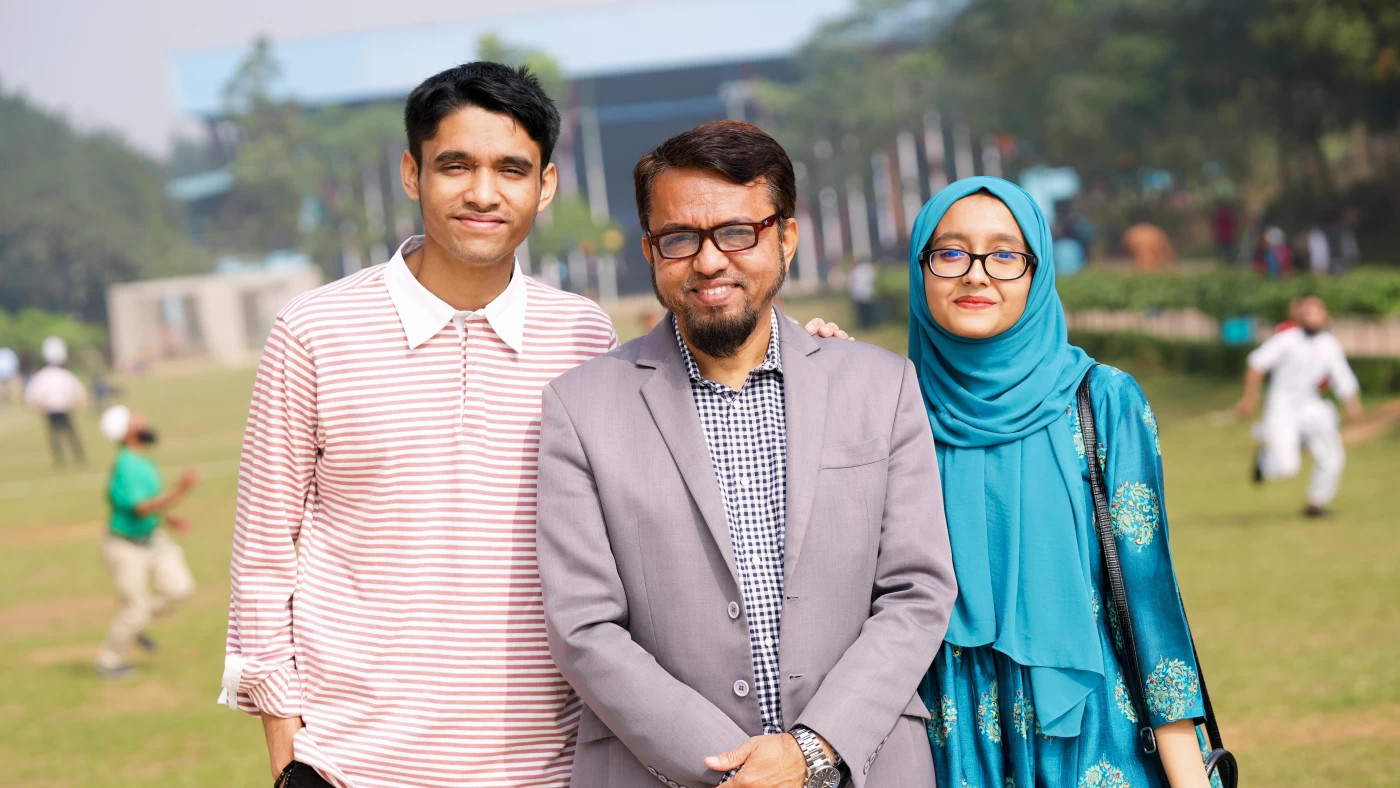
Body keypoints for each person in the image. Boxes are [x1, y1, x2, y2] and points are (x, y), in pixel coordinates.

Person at [221, 63, 850, 788]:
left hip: (554, 766)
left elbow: (703, 412)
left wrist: (809, 357)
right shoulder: (314, 332)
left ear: (545, 185)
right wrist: (287, 753)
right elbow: (262, 552)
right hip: (353, 765)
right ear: (412, 173)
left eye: (511, 169)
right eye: (455, 165)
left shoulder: (582, 334)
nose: (483, 192)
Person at [536, 120, 958, 788]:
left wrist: (810, 751)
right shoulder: (580, 407)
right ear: (650, 249)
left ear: (785, 236)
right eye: (679, 238)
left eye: (737, 232)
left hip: (859, 764)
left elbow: (917, 590)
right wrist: (737, 771)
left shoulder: (882, 387)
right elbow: (584, 626)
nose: (709, 261)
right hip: (662, 772)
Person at [909, 177, 1218, 788]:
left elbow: (1148, 594)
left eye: (1004, 254)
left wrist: (1189, 774)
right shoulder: (890, 410)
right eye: (950, 252)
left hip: (1095, 736)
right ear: (921, 269)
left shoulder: (1104, 401)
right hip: (946, 741)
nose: (976, 275)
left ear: (1038, 269)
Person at [95, 405, 198, 677]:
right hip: (125, 546)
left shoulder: (141, 459)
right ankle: (109, 663)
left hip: (151, 539)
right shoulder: (127, 464)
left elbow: (147, 504)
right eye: (136, 419)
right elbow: (141, 507)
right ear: (127, 433)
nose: (144, 420)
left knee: (180, 589)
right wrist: (181, 490)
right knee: (135, 609)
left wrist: (169, 519)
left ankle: (135, 623)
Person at [1235, 296, 1361, 517]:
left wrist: (1352, 404)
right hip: (1282, 406)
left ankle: (1315, 504)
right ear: (1300, 317)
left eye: (1317, 312)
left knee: (1332, 456)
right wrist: (1250, 397)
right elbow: (1256, 364)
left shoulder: (1329, 344)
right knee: (1286, 468)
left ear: (1325, 316)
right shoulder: (1286, 339)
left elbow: (1343, 377)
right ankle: (1265, 458)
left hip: (1311, 404)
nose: (1313, 317)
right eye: (1308, 313)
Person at [23, 335, 87, 467]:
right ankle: (71, 457)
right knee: (65, 434)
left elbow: (31, 395)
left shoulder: (43, 375)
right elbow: (78, 392)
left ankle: (65, 458)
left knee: (59, 435)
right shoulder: (62, 374)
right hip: (58, 409)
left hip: (56, 409)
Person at [849, 257, 879, 329]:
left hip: (860, 293)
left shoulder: (857, 269)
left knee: (862, 311)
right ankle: (868, 324)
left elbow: (851, 281)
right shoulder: (869, 268)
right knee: (867, 310)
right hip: (866, 292)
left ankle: (865, 324)